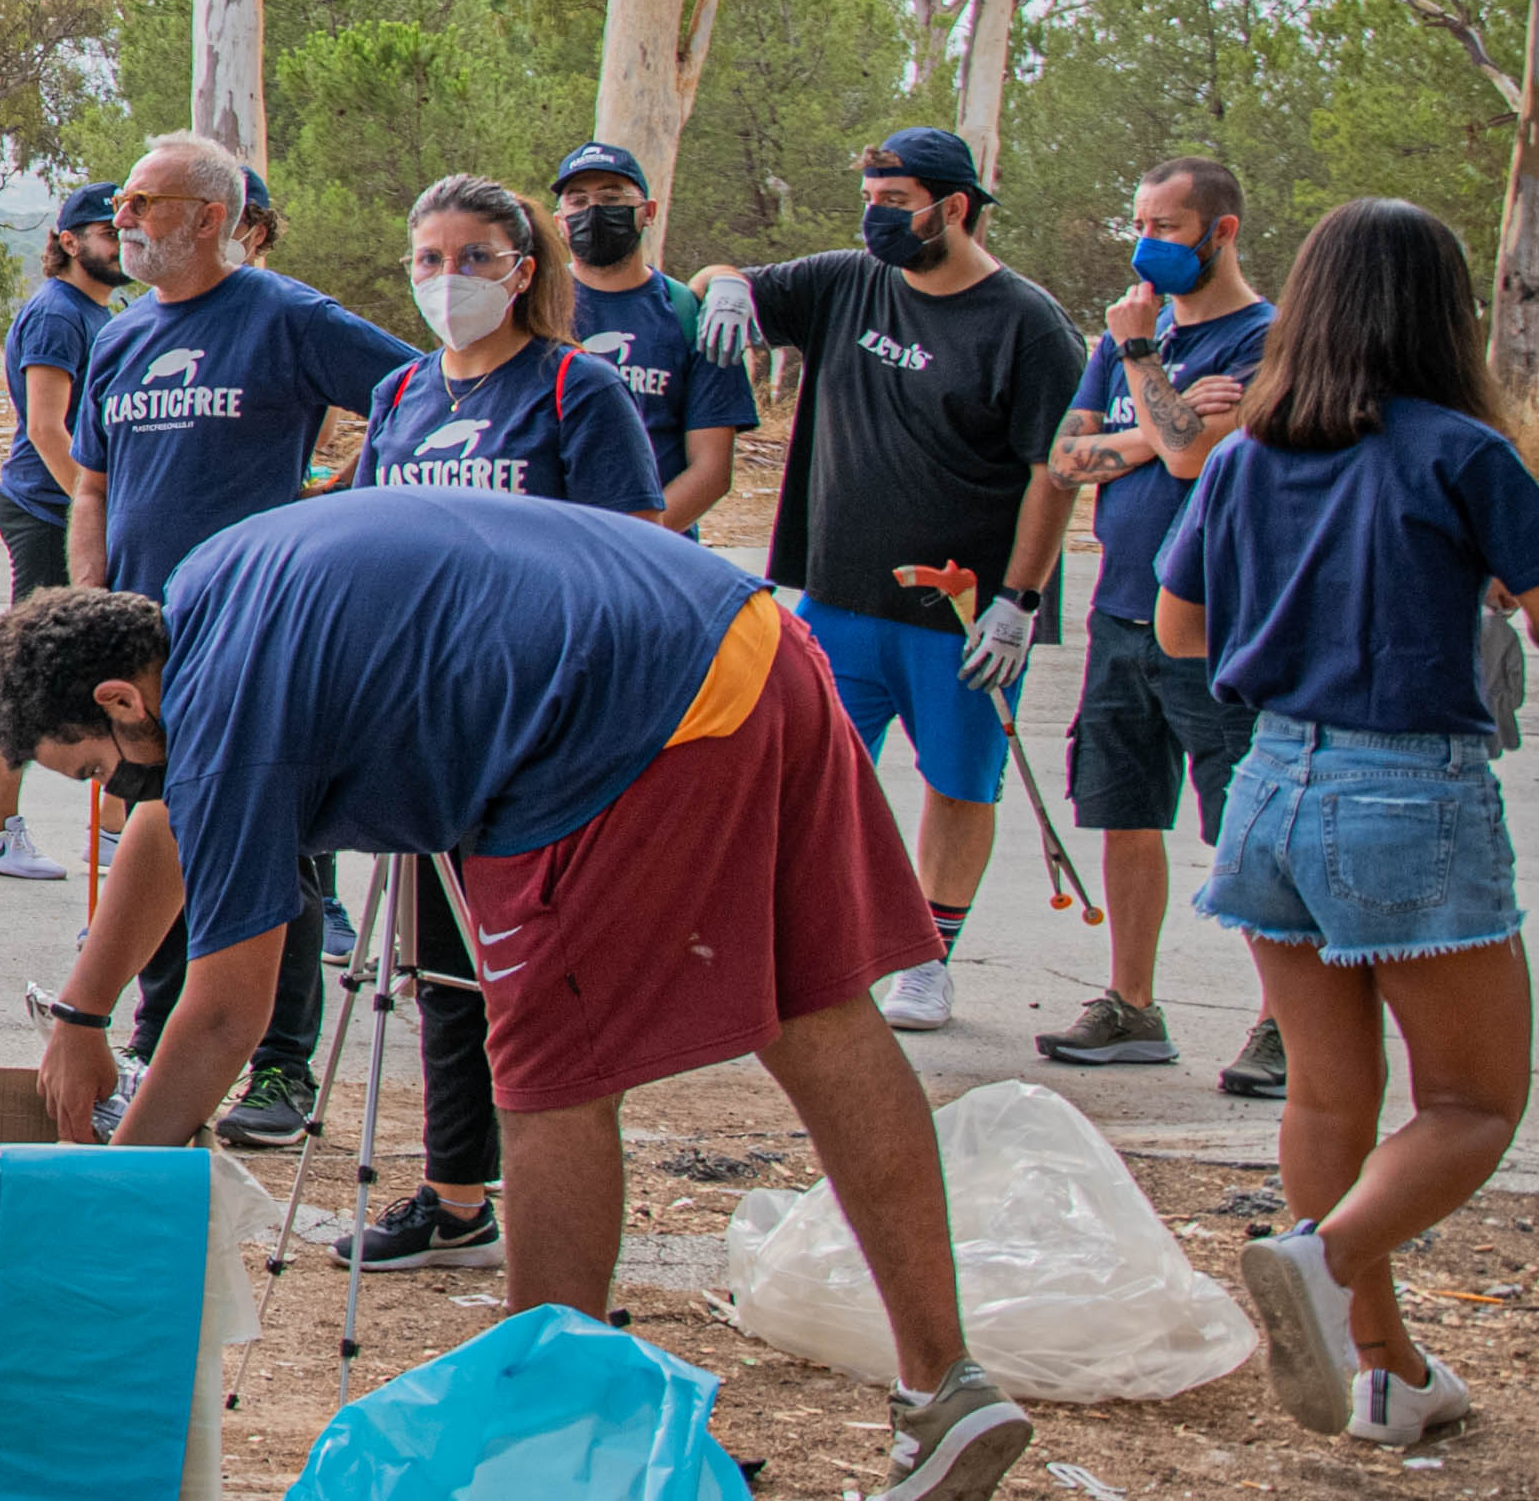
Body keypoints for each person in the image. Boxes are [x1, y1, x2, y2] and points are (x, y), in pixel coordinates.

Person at [0, 495, 1037, 1501]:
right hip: (751, 640)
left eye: (95, 772)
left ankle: (548, 1442)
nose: (112, 798)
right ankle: (942, 1384)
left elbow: (223, 1018)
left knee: (546, 1080)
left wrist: (107, 1190)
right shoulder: (212, 596)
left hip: (618, 725)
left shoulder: (219, 721)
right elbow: (173, 820)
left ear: (122, 699)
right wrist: (82, 1013)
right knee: (818, 1017)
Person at [1158, 198, 1539, 1451]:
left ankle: (1383, 1372)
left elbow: (1179, 630)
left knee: (1328, 1100)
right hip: (1408, 789)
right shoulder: (1462, 454)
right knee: (1476, 1103)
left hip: (1269, 782)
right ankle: (1326, 1258)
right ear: (1444, 313)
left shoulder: (1246, 457)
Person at [288, 173, 674, 1276]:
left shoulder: (573, 392)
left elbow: (631, 550)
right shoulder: (404, 393)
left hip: (542, 723)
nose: (446, 280)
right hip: (425, 721)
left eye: (471, 258)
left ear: (522, 270)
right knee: (442, 971)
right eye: (426, 259)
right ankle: (457, 1198)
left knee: (535, 969)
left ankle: (556, 1209)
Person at [683, 125, 1083, 1036]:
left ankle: (928, 960)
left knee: (956, 783)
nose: (877, 219)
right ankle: (812, 950)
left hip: (962, 614)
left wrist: (1019, 602)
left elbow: (1050, 472)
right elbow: (714, 279)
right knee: (806, 779)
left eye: (895, 203)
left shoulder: (1025, 323)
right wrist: (726, 284)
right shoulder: (841, 282)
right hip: (835, 596)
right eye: (869, 199)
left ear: (954, 206)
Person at [68, 129, 415, 1144]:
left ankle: (279, 1068)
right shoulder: (122, 335)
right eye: (119, 206)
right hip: (148, 643)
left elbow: (415, 397)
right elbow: (91, 482)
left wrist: (329, 513)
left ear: (209, 218)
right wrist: (94, 600)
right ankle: (159, 1038)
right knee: (159, 841)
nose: (118, 219)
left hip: (262, 638)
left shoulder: (284, 313)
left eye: (141, 203)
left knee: (267, 853)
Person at [1045, 157, 1277, 1082]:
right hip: (1119, 610)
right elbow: (1067, 459)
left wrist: (1144, 371)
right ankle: (1130, 1004)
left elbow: (1190, 462)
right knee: (1124, 810)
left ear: (1219, 232)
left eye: (1167, 228)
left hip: (1217, 621)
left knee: (1243, 822)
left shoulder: (1263, 341)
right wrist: (1157, 418)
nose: (1147, 246)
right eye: (1137, 223)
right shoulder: (1124, 333)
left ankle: (1283, 1018)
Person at [0, 182, 124, 879]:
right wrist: (93, 511)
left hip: (72, 508)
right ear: (67, 241)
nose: (119, 240)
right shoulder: (57, 314)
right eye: (104, 230)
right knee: (28, 668)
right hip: (47, 511)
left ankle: (114, 825)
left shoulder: (103, 312)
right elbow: (48, 428)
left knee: (112, 664)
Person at [542, 140, 757, 536]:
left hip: (657, 554)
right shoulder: (532, 312)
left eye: (612, 196)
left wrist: (632, 541)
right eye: (578, 200)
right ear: (559, 221)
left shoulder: (689, 313)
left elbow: (711, 470)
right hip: (550, 551)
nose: (595, 210)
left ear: (648, 212)